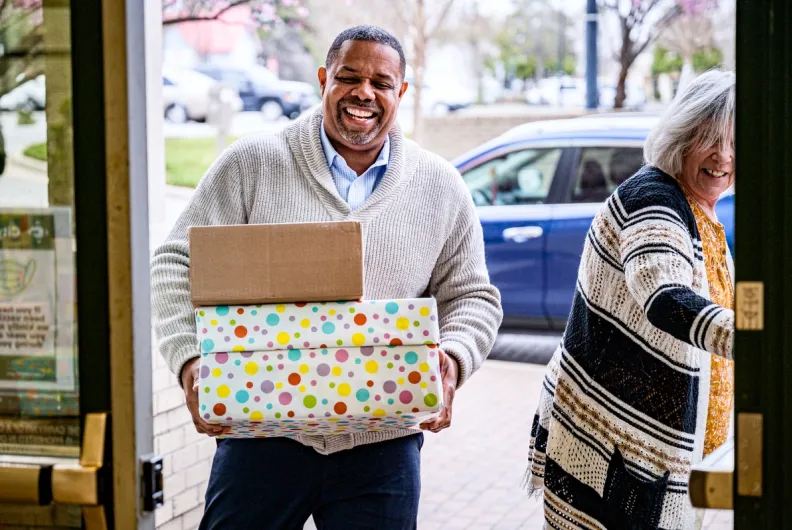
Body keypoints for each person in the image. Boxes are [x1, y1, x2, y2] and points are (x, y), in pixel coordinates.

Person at [151, 25, 502, 529]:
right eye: (349, 76)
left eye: (381, 83)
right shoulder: (251, 165)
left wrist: (453, 357)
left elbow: (472, 296)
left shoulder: (440, 186)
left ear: (401, 93)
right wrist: (189, 361)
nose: (365, 92)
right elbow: (174, 262)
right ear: (323, 80)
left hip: (383, 439)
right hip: (262, 432)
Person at [524, 69, 735, 530]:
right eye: (710, 140)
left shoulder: (700, 207)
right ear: (682, 136)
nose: (723, 157)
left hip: (660, 456)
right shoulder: (653, 199)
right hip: (612, 454)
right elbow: (663, 297)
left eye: (735, 143)